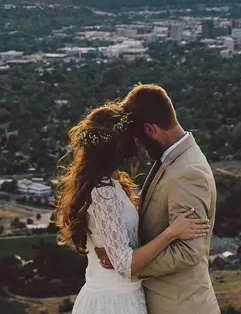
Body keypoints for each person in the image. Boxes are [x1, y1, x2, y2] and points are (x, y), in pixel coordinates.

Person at [55, 103, 210, 314]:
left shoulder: (112, 184)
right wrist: (172, 232)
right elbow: (125, 264)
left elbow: (122, 249)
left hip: (125, 296)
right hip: (114, 302)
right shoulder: (103, 194)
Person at [95, 84, 220, 314]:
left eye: (140, 138)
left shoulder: (188, 173)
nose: (140, 146)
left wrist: (128, 265)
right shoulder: (173, 158)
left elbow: (188, 252)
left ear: (151, 129)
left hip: (180, 307)